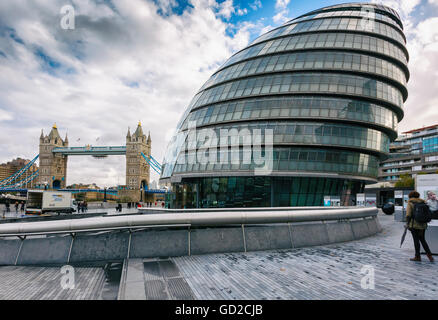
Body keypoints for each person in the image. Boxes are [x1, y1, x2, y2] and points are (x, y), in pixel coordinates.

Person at [406, 191, 434, 262]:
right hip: (423, 225)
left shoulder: (410, 203)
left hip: (414, 225)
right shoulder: (423, 202)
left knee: (416, 241)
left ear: (410, 196)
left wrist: (407, 223)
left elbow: (408, 214)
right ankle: (430, 256)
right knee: (423, 240)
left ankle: (417, 256)